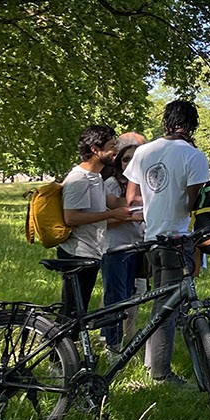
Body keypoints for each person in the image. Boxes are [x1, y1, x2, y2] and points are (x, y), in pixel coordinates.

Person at [125, 100, 210, 388]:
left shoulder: (143, 151)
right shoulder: (194, 156)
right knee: (168, 309)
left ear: (166, 122)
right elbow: (193, 203)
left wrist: (155, 202)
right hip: (177, 238)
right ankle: (161, 373)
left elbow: (131, 199)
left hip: (150, 238)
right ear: (192, 125)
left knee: (157, 301)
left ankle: (152, 363)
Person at [60, 124, 136, 313]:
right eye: (112, 146)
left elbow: (115, 202)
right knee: (72, 314)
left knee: (79, 311)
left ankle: (67, 342)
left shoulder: (95, 177)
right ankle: (57, 342)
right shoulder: (78, 179)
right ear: (95, 150)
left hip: (91, 252)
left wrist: (147, 204)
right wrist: (111, 214)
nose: (116, 151)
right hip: (77, 255)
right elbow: (71, 217)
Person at [100, 132, 147, 356]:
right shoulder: (110, 185)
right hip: (116, 249)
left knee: (134, 296)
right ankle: (112, 346)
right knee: (115, 298)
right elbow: (102, 221)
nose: (131, 163)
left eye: (136, 159)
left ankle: (129, 341)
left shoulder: (143, 187)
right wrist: (129, 217)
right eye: (126, 159)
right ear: (119, 161)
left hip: (138, 248)